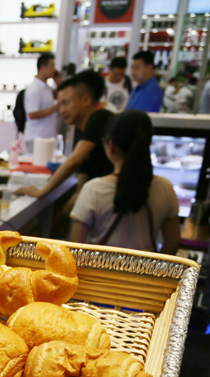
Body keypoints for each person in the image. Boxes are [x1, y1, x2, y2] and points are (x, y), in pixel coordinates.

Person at [16, 70, 113, 236]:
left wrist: (42, 191)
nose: (61, 110)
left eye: (65, 103)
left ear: (86, 100)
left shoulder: (100, 117)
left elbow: (74, 161)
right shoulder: (82, 133)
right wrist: (56, 220)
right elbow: (81, 190)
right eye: (59, 104)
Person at [70, 111, 180, 254]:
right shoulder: (165, 187)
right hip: (144, 273)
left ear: (111, 146)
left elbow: (75, 249)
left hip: (100, 274)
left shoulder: (93, 189)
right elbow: (173, 242)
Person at [23, 53, 58, 150]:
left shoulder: (47, 88)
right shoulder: (34, 88)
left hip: (46, 137)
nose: (54, 70)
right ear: (43, 68)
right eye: (52, 66)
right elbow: (32, 114)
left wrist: (58, 81)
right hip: (36, 137)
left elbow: (60, 95)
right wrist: (53, 109)